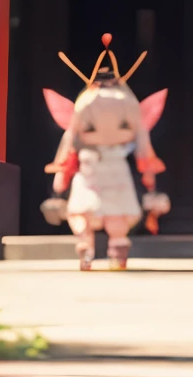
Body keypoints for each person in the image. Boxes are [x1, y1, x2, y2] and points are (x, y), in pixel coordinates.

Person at [40, 39, 169, 269]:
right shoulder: (125, 102)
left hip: (97, 169)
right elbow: (140, 139)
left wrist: (61, 178)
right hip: (106, 169)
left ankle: (90, 250)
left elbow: (71, 139)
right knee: (109, 214)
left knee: (83, 213)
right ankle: (111, 250)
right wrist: (149, 175)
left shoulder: (86, 103)